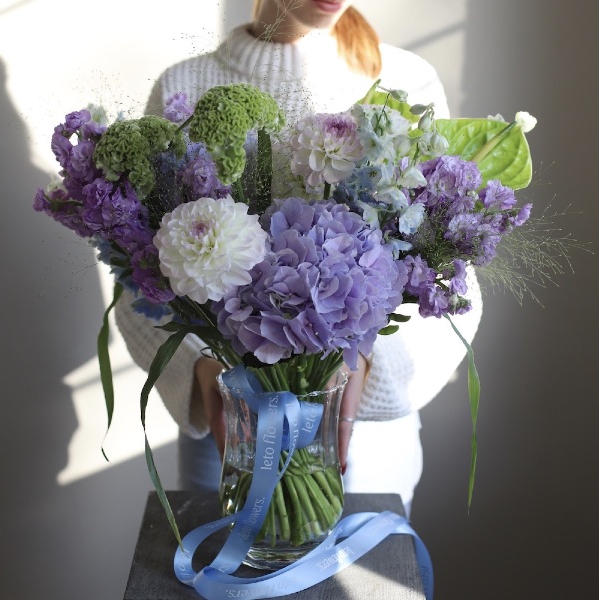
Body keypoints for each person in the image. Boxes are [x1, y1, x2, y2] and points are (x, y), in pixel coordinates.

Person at [115, 0, 482, 517]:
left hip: (363, 439)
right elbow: (140, 272)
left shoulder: (406, 83)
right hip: (230, 429)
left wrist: (368, 366)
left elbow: (448, 277)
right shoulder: (186, 84)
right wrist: (199, 368)